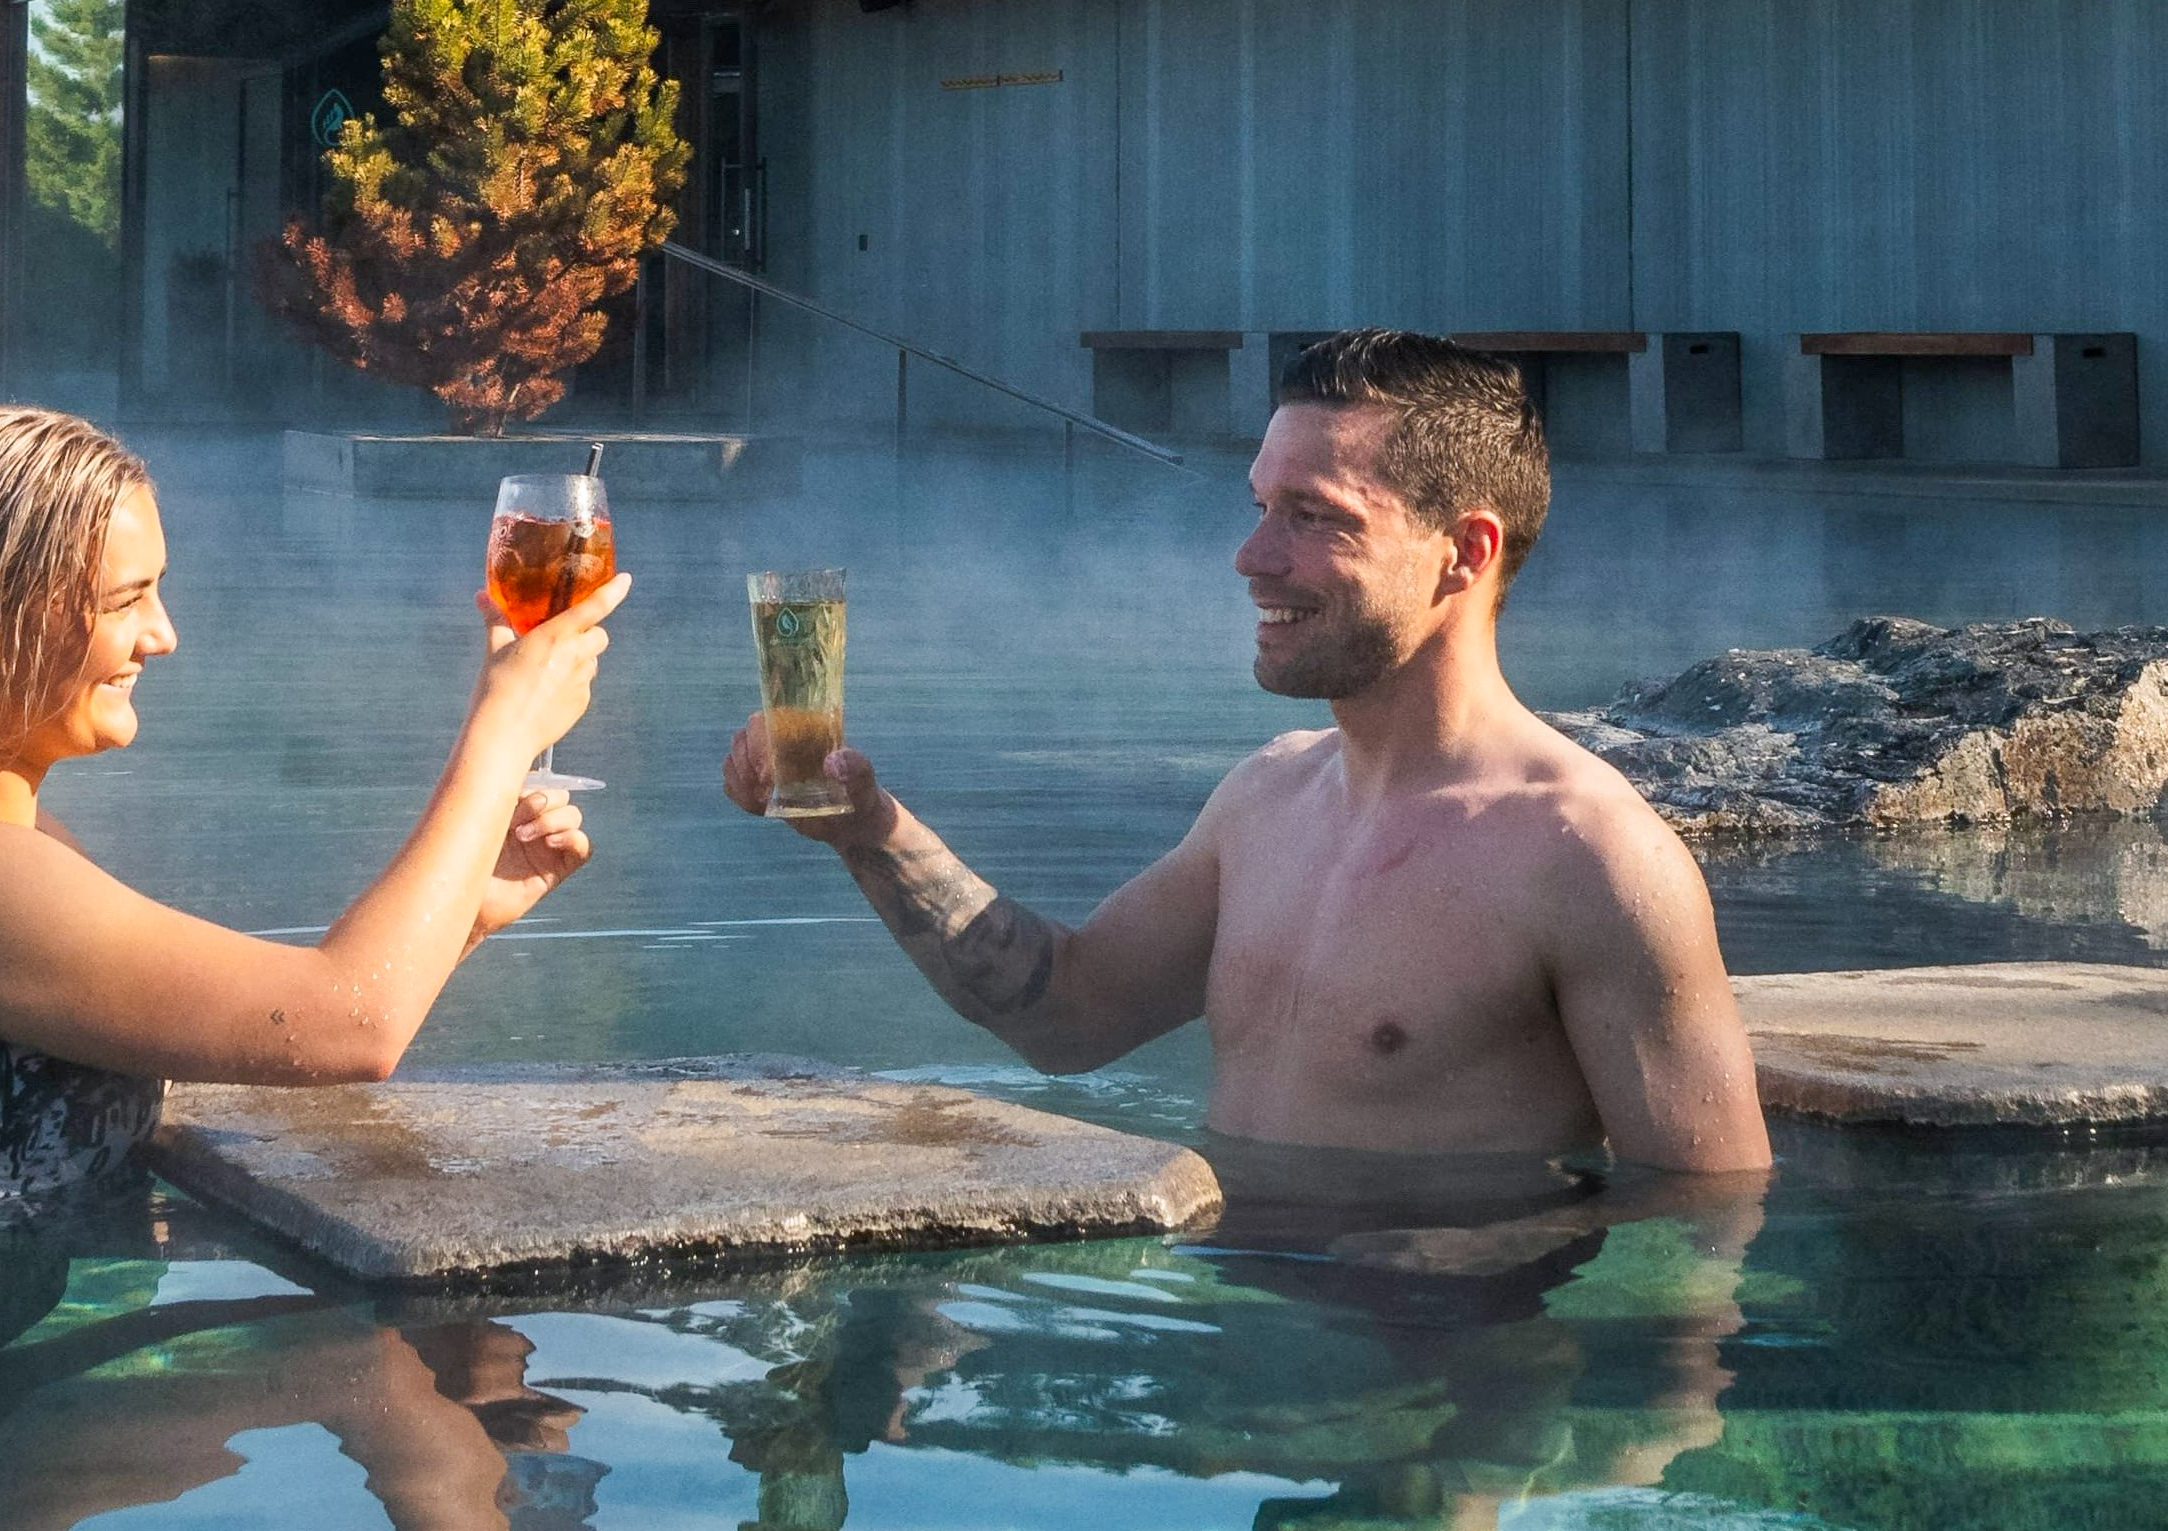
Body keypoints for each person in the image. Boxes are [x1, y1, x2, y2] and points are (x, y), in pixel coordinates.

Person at [721, 329, 1769, 1187]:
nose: (1251, 555)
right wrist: (867, 833)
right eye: (1260, 505)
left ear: (1465, 549)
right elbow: (1071, 1014)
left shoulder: (1586, 859)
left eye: (1313, 516)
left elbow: (1704, 1222)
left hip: (1441, 1394)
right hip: (1239, 1367)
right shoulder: (1267, 794)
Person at [0, 405, 622, 1219]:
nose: (163, 635)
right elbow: (348, 1024)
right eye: (124, 600)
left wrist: (463, 913)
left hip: (6, 1343)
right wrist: (502, 729)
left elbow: (252, 1033)